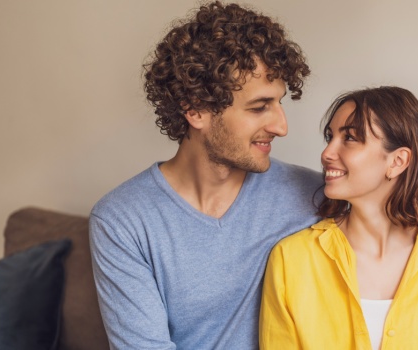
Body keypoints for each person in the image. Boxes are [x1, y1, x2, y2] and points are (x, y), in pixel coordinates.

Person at [89, 2, 321, 349]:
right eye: (259, 107)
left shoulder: (315, 194)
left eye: (279, 103)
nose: (281, 126)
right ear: (195, 109)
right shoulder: (123, 221)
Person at [260, 86, 418, 349]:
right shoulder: (291, 259)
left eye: (350, 138)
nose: (327, 153)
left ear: (397, 161)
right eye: (330, 137)